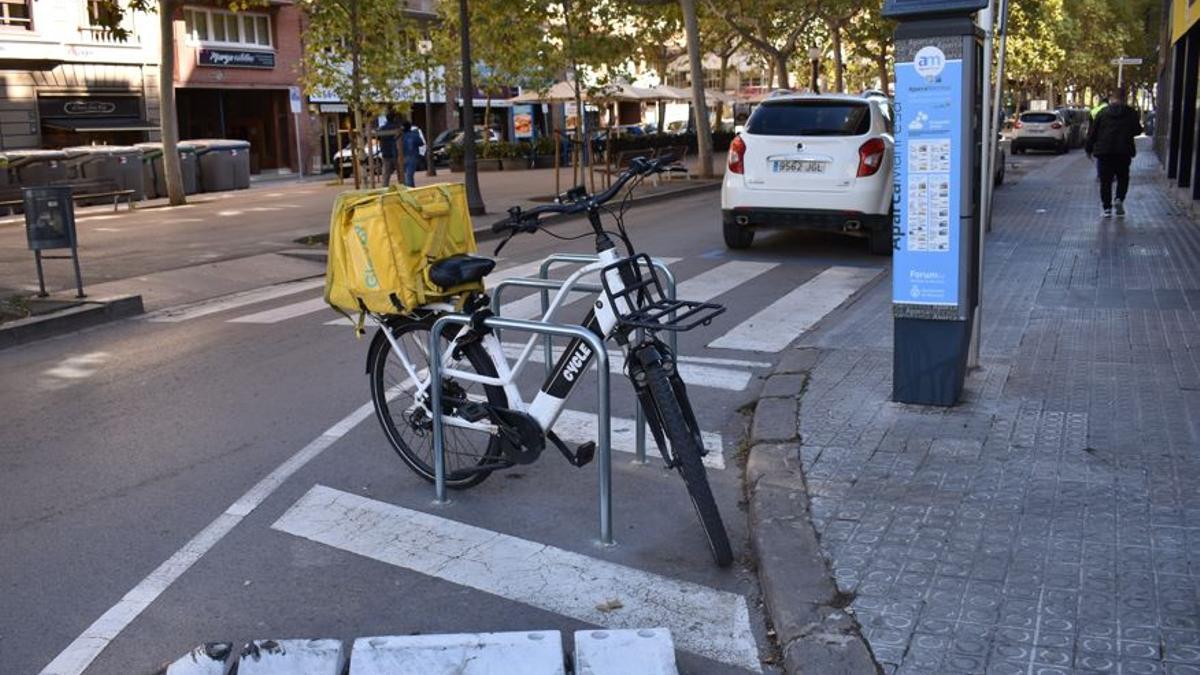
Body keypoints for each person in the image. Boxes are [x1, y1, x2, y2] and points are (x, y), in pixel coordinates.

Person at [1086, 88, 1142, 218]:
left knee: (1105, 181)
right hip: (1123, 152)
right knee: (1123, 177)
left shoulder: (1102, 113)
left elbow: (1093, 133)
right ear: (1124, 98)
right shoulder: (1131, 113)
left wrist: (1088, 148)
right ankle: (1119, 198)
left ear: (1111, 98)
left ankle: (1107, 208)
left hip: (1104, 152)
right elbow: (1138, 130)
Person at [378, 114, 400, 187]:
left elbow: (379, 138)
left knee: (386, 172)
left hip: (385, 152)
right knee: (399, 171)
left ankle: (384, 186)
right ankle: (402, 184)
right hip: (395, 152)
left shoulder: (382, 128)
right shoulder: (396, 127)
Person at [401, 121, 424, 188]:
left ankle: (410, 188)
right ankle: (410, 188)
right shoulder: (414, 135)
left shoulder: (401, 136)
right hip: (413, 156)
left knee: (407, 175)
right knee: (409, 175)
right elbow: (421, 143)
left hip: (403, 156)